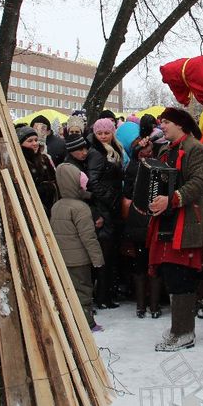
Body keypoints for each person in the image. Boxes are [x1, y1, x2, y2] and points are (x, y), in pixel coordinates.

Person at [148, 107, 203, 351]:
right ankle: (179, 327)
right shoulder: (165, 150)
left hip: (186, 223)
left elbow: (200, 183)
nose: (162, 126)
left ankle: (184, 332)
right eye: (161, 122)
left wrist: (172, 198)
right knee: (170, 275)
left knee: (182, 277)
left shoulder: (197, 149)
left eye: (166, 122)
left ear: (180, 125)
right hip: (166, 222)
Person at [51, 163, 105, 331]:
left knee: (67, 290)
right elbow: (88, 237)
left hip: (62, 257)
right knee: (83, 290)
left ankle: (70, 320)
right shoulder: (81, 208)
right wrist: (97, 259)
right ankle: (87, 323)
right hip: (79, 260)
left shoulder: (57, 205)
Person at [122, 132, 165, 319]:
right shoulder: (140, 167)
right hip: (146, 220)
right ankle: (148, 306)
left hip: (143, 218)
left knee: (146, 262)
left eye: (149, 151)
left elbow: (127, 191)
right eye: (143, 152)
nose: (147, 154)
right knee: (148, 262)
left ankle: (146, 306)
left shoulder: (136, 166)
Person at [84, 118, 124, 310]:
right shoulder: (97, 153)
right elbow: (93, 182)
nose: (103, 136)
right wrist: (111, 198)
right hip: (104, 207)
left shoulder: (114, 150)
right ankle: (102, 296)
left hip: (111, 206)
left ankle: (106, 294)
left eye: (106, 133)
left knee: (110, 253)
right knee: (104, 254)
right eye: (99, 133)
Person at [17, 125, 58, 216]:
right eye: (30, 141)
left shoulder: (44, 159)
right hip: (32, 208)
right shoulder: (19, 163)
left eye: (36, 140)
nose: (35, 143)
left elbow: (54, 178)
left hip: (50, 204)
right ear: (20, 144)